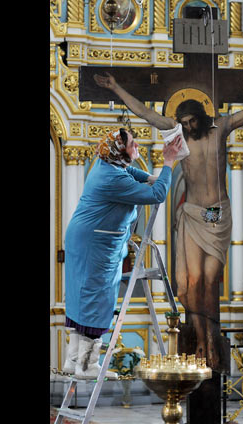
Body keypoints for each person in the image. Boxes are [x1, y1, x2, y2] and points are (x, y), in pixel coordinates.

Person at [93, 72, 243, 370]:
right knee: (189, 282)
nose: (189, 127)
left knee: (209, 278)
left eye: (192, 121)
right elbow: (146, 113)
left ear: (202, 117)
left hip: (216, 212)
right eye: (184, 122)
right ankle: (201, 341)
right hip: (191, 212)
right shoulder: (177, 132)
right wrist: (115, 86)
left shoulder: (222, 127)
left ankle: (211, 340)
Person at [63, 127, 183, 379]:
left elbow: (131, 172)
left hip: (85, 239)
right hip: (96, 244)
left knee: (82, 297)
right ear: (120, 151)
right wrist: (168, 162)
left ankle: (73, 360)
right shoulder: (112, 179)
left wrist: (152, 176)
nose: (136, 145)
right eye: (132, 144)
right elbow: (158, 195)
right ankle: (86, 366)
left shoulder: (106, 164)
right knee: (97, 299)